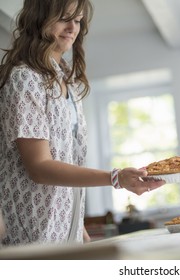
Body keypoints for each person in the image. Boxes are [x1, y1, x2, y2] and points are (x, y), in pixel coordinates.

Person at [0, 0, 165, 247]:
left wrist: (81, 234)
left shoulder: (68, 82)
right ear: (39, 18)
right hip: (33, 237)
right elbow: (39, 167)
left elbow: (68, 168)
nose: (72, 28)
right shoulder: (25, 79)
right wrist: (116, 178)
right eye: (64, 18)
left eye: (77, 20)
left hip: (66, 236)